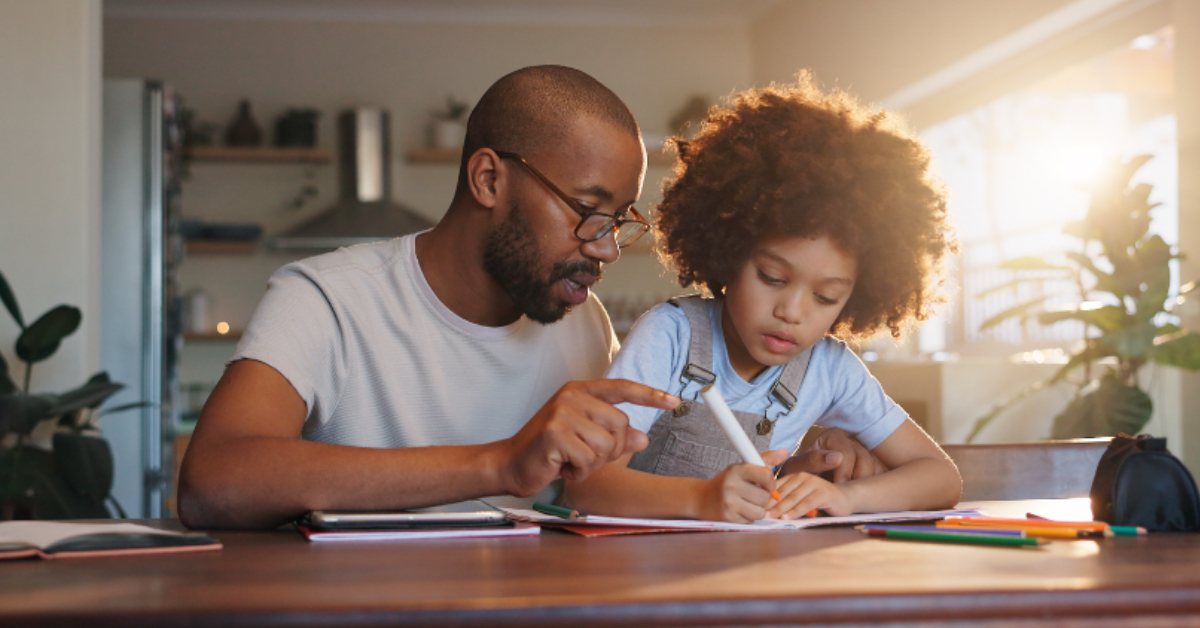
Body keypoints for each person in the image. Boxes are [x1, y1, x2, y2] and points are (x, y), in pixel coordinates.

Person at [178, 66, 881, 530]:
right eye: (588, 210)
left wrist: (797, 455)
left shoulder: (582, 322)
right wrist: (498, 463)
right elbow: (214, 480)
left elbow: (646, 479)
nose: (607, 248)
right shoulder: (328, 299)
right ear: (489, 179)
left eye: (621, 222)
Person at [564, 71, 963, 523]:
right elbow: (586, 485)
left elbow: (941, 477)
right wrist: (701, 501)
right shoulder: (670, 337)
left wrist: (847, 499)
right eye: (772, 277)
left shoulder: (829, 369)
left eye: (826, 297)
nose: (791, 311)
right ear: (728, 252)